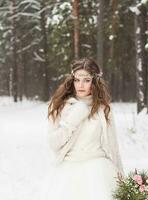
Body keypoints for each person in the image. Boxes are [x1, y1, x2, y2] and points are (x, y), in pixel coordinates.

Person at [39, 58, 124, 200]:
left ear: (94, 82)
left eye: (86, 80)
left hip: (99, 171)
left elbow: (113, 145)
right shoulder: (60, 106)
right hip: (67, 172)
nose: (81, 85)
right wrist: (73, 119)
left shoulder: (104, 109)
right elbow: (53, 143)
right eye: (77, 80)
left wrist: (122, 178)